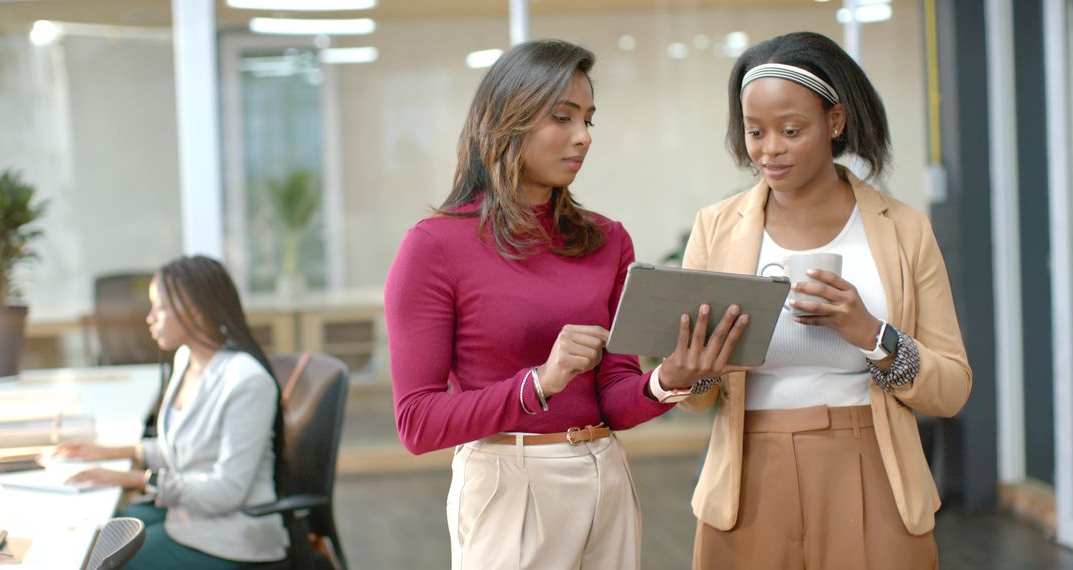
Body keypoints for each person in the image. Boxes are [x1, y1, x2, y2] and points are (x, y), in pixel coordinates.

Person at [385, 39, 749, 570]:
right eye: (562, 117)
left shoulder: (608, 240)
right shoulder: (435, 246)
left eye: (588, 120)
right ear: (506, 122)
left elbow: (615, 399)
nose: (582, 138)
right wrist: (539, 384)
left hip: (607, 476)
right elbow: (417, 423)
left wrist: (669, 378)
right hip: (510, 482)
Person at [680, 31, 973, 569]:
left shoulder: (904, 229)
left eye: (791, 130)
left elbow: (951, 389)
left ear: (835, 122)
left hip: (874, 465)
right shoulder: (716, 229)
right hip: (747, 475)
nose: (769, 149)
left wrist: (871, 335)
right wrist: (694, 367)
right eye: (754, 132)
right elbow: (700, 396)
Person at [55, 255, 286, 569]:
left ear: (196, 312)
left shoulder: (246, 381)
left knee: (109, 562)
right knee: (103, 531)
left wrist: (134, 478)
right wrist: (109, 452)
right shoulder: (186, 360)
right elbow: (181, 449)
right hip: (191, 514)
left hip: (229, 535)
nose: (150, 318)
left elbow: (227, 490)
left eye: (160, 308)